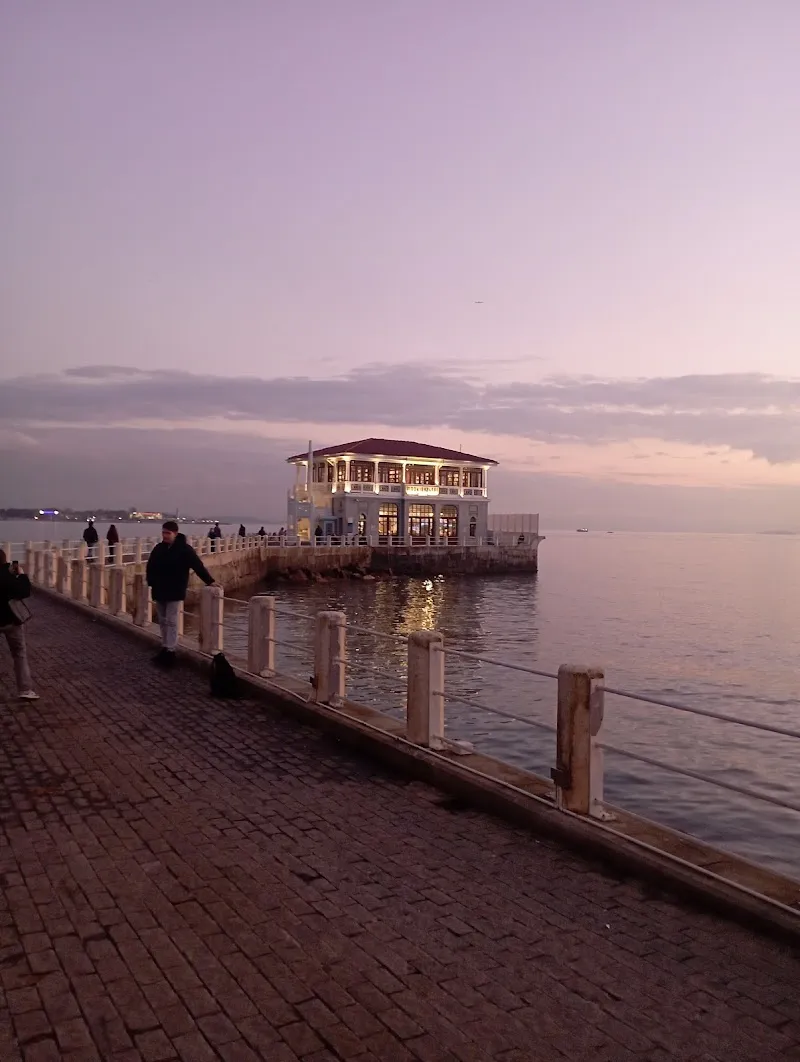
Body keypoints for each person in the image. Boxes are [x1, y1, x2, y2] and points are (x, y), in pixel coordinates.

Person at [146, 521, 215, 667]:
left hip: (175, 590)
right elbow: (150, 566)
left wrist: (210, 581)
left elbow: (197, 565)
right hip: (159, 589)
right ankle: (165, 646)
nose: (165, 536)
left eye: (168, 533)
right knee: (163, 620)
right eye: (163, 532)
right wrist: (151, 582)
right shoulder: (159, 548)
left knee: (171, 620)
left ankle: (171, 650)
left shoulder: (185, 550)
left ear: (175, 533)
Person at [0, 550, 38, 701]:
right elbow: (25, 591)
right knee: (19, 654)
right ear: (5, 561)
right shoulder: (9, 577)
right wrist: (21, 575)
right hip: (11, 621)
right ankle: (25, 689)